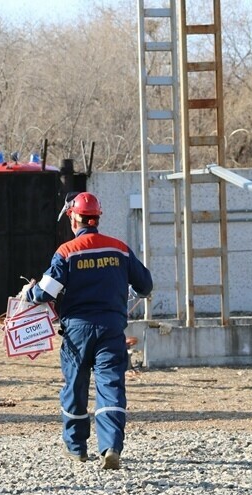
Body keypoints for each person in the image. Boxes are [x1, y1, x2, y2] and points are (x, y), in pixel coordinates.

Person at [20, 191, 152, 470]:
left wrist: (29, 293)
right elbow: (146, 286)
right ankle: (110, 447)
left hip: (77, 333)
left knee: (75, 388)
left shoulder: (66, 252)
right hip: (111, 330)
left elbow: (46, 292)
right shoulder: (119, 249)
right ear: (97, 218)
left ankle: (77, 448)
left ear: (73, 219)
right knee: (111, 387)